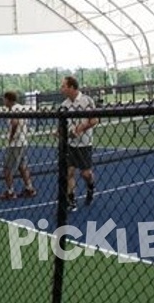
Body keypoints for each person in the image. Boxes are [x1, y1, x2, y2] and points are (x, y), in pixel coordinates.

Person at [60, 76, 98, 212]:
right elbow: (63, 124)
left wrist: (79, 130)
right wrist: (60, 131)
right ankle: (72, 200)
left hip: (84, 144)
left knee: (85, 174)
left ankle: (91, 186)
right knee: (69, 172)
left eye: (63, 86)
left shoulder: (86, 101)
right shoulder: (64, 105)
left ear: (71, 87)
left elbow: (94, 120)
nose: (61, 89)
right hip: (70, 144)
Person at [0, 91, 36, 200]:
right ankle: (29, 188)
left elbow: (14, 123)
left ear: (8, 99)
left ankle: (10, 192)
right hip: (23, 141)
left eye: (4, 99)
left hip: (16, 143)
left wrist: (10, 137)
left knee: (7, 168)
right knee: (22, 166)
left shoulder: (14, 109)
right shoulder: (21, 108)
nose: (3, 101)